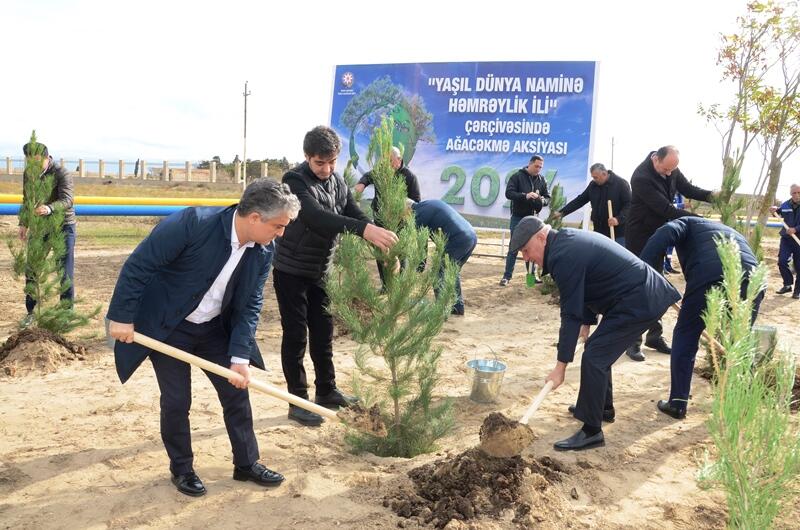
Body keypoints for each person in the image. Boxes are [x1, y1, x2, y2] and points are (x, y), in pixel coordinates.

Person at [106, 178, 299, 497]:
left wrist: (239, 357)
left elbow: (251, 303)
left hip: (214, 329)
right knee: (177, 400)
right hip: (170, 328)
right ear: (254, 218)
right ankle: (182, 469)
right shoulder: (192, 223)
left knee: (237, 392)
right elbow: (139, 265)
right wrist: (123, 317)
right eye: (278, 226)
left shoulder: (264, 250)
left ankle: (246, 464)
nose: (281, 233)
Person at [508, 216, 680, 450]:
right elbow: (586, 287)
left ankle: (592, 431)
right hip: (635, 296)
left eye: (526, 250)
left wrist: (561, 367)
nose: (526, 258)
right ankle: (602, 409)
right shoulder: (565, 243)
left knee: (595, 355)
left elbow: (569, 314)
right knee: (599, 350)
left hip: (638, 299)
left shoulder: (562, 255)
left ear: (541, 237)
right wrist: (587, 323)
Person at [273, 125, 399, 427]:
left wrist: (375, 234)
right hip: (291, 270)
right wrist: (364, 230)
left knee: (323, 332)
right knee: (295, 336)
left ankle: (327, 391)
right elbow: (317, 219)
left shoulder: (337, 181)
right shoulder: (294, 181)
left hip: (321, 270)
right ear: (307, 157)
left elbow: (354, 212)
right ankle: (298, 401)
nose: (327, 169)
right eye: (320, 163)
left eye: (332, 162)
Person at [640, 217, 764, 419]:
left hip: (711, 275)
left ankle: (678, 403)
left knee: (686, 335)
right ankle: (742, 404)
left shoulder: (684, 223)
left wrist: (643, 269)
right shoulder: (724, 228)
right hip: (755, 278)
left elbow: (664, 233)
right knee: (740, 341)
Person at [624, 146, 715, 362]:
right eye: (666, 169)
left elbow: (689, 189)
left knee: (656, 286)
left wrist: (715, 197)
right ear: (655, 159)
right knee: (641, 288)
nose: (669, 174)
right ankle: (633, 341)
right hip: (640, 238)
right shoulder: (640, 177)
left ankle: (654, 337)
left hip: (659, 235)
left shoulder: (671, 168)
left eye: (672, 170)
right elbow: (666, 210)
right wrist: (701, 221)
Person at [19, 141, 76, 327]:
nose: (32, 167)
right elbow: (27, 199)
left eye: (36, 162)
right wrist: (24, 223)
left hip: (63, 226)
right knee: (32, 269)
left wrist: (49, 208)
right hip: (40, 226)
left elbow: (67, 200)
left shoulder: (62, 173)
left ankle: (65, 314)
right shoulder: (29, 173)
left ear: (46, 157)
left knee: (64, 272)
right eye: (29, 162)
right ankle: (31, 312)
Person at [355, 146, 421, 284]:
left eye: (390, 161)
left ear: (399, 160)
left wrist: (402, 213)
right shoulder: (381, 172)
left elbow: (416, 202)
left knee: (400, 254)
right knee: (381, 252)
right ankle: (385, 285)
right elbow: (368, 175)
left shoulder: (409, 177)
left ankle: (399, 288)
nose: (387, 165)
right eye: (384, 161)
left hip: (400, 224)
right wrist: (362, 184)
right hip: (380, 221)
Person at [410, 199, 478, 316]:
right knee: (452, 272)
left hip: (457, 239)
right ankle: (457, 307)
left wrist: (419, 267)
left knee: (438, 273)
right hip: (471, 236)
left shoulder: (417, 214)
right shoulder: (429, 203)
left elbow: (421, 244)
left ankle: (441, 310)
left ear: (407, 211)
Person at [500, 155, 550, 286]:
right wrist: (525, 196)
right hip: (517, 217)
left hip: (533, 219)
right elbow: (509, 193)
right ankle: (506, 277)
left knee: (532, 248)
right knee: (513, 247)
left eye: (541, 167)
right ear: (530, 164)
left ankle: (531, 279)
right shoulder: (517, 176)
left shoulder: (542, 180)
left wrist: (541, 200)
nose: (538, 169)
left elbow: (547, 198)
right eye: (536, 166)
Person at [553, 163, 630, 246]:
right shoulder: (593, 186)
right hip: (599, 231)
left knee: (617, 258)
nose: (594, 179)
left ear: (604, 173)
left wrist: (618, 219)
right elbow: (580, 200)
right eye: (593, 177)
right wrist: (562, 212)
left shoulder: (621, 184)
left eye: (595, 177)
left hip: (618, 233)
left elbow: (629, 205)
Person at [770, 184, 800, 299]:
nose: (797, 195)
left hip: (799, 240)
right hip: (787, 239)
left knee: (798, 266)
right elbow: (778, 212)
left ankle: (797, 291)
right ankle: (787, 284)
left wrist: (796, 229)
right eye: (794, 193)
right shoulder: (786, 204)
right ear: (790, 194)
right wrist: (774, 210)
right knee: (782, 262)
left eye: (799, 192)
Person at [663, 193, 684, 274]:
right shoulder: (668, 192)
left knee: (670, 248)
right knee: (664, 246)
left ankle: (668, 266)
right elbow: (667, 207)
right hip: (667, 223)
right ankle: (663, 267)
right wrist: (681, 205)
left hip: (675, 222)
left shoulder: (680, 195)